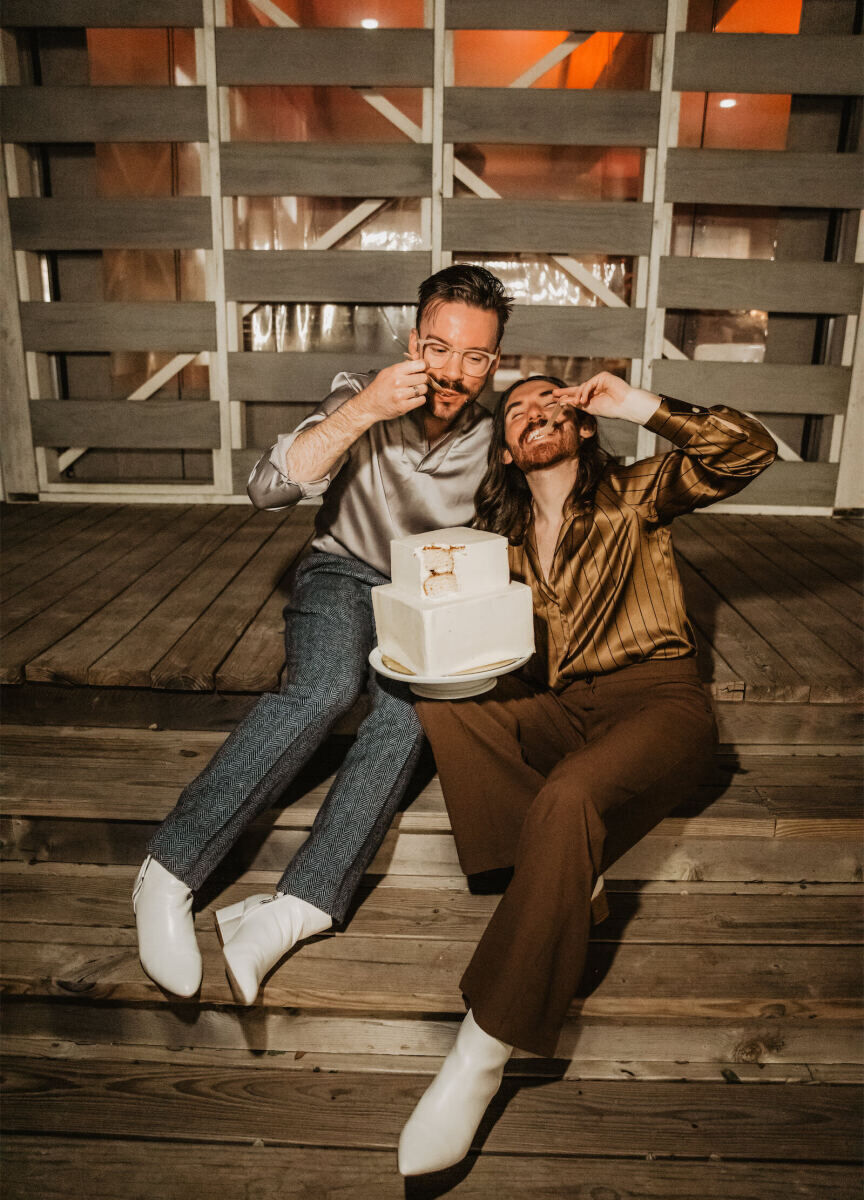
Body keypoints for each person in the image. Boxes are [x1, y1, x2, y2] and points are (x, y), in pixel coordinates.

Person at [397, 371, 777, 1176]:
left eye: (551, 402)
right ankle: (570, 876)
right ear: (505, 446)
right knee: (442, 706)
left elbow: (749, 450)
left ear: (579, 425)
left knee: (568, 796)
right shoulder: (491, 540)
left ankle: (482, 1050)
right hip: (562, 706)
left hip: (658, 703)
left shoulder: (635, 493)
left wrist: (637, 404)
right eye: (517, 410)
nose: (534, 411)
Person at [133, 264, 513, 1004]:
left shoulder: (496, 433)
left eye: (476, 357)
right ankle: (168, 870)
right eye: (439, 347)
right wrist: (364, 410)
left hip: (427, 595)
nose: (454, 371)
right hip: (342, 573)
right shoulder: (359, 392)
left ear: (494, 362)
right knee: (328, 686)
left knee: (409, 718)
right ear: (413, 341)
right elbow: (267, 491)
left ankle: (297, 908)